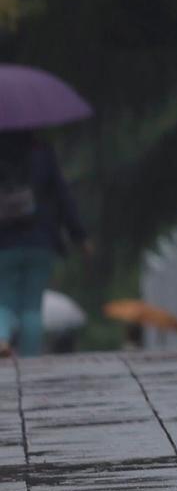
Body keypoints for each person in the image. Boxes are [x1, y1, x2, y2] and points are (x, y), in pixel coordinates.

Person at [0, 130, 90, 357]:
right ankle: (29, 361)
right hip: (41, 241)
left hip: (4, 244)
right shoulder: (42, 152)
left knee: (4, 302)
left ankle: (1, 338)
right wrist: (79, 236)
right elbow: (63, 196)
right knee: (32, 307)